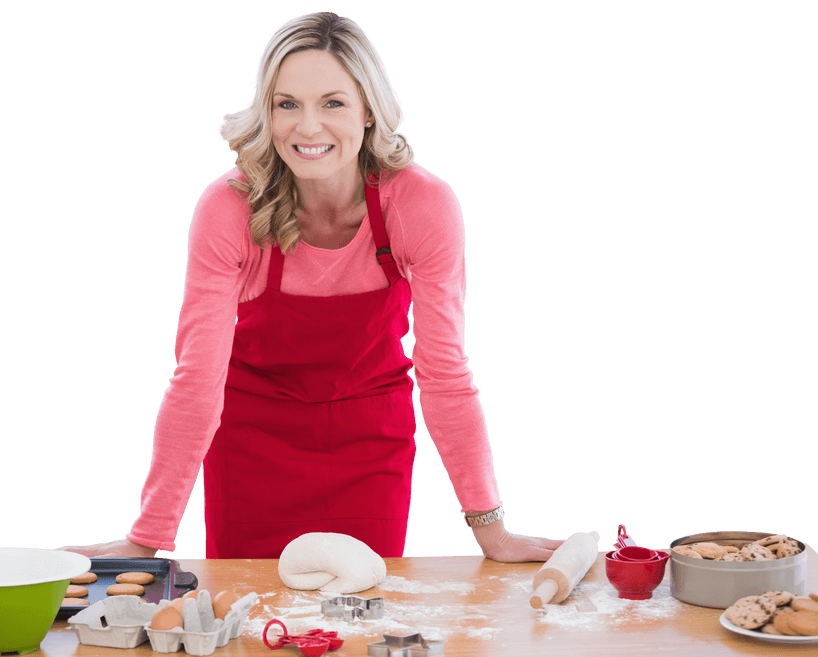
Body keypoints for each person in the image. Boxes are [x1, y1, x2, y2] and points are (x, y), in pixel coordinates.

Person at [60, 11, 564, 562]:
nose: (307, 127)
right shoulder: (229, 207)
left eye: (333, 102)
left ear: (369, 110)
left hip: (370, 441)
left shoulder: (421, 205)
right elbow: (196, 379)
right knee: (248, 624)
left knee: (363, 615)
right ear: (266, 112)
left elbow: (444, 373)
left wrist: (491, 529)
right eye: (287, 104)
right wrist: (150, 537)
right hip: (252, 440)